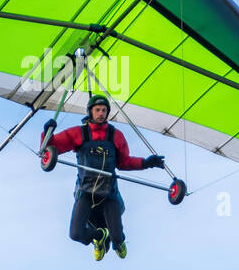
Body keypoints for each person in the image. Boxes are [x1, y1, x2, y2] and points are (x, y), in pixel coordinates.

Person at [41, 94, 165, 261]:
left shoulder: (116, 135)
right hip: (86, 192)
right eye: (97, 110)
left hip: (109, 193)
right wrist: (47, 132)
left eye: (104, 110)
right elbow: (50, 148)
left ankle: (119, 242)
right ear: (90, 111)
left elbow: (124, 162)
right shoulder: (79, 133)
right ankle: (99, 237)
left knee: (116, 238)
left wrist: (146, 163)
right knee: (76, 233)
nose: (101, 113)